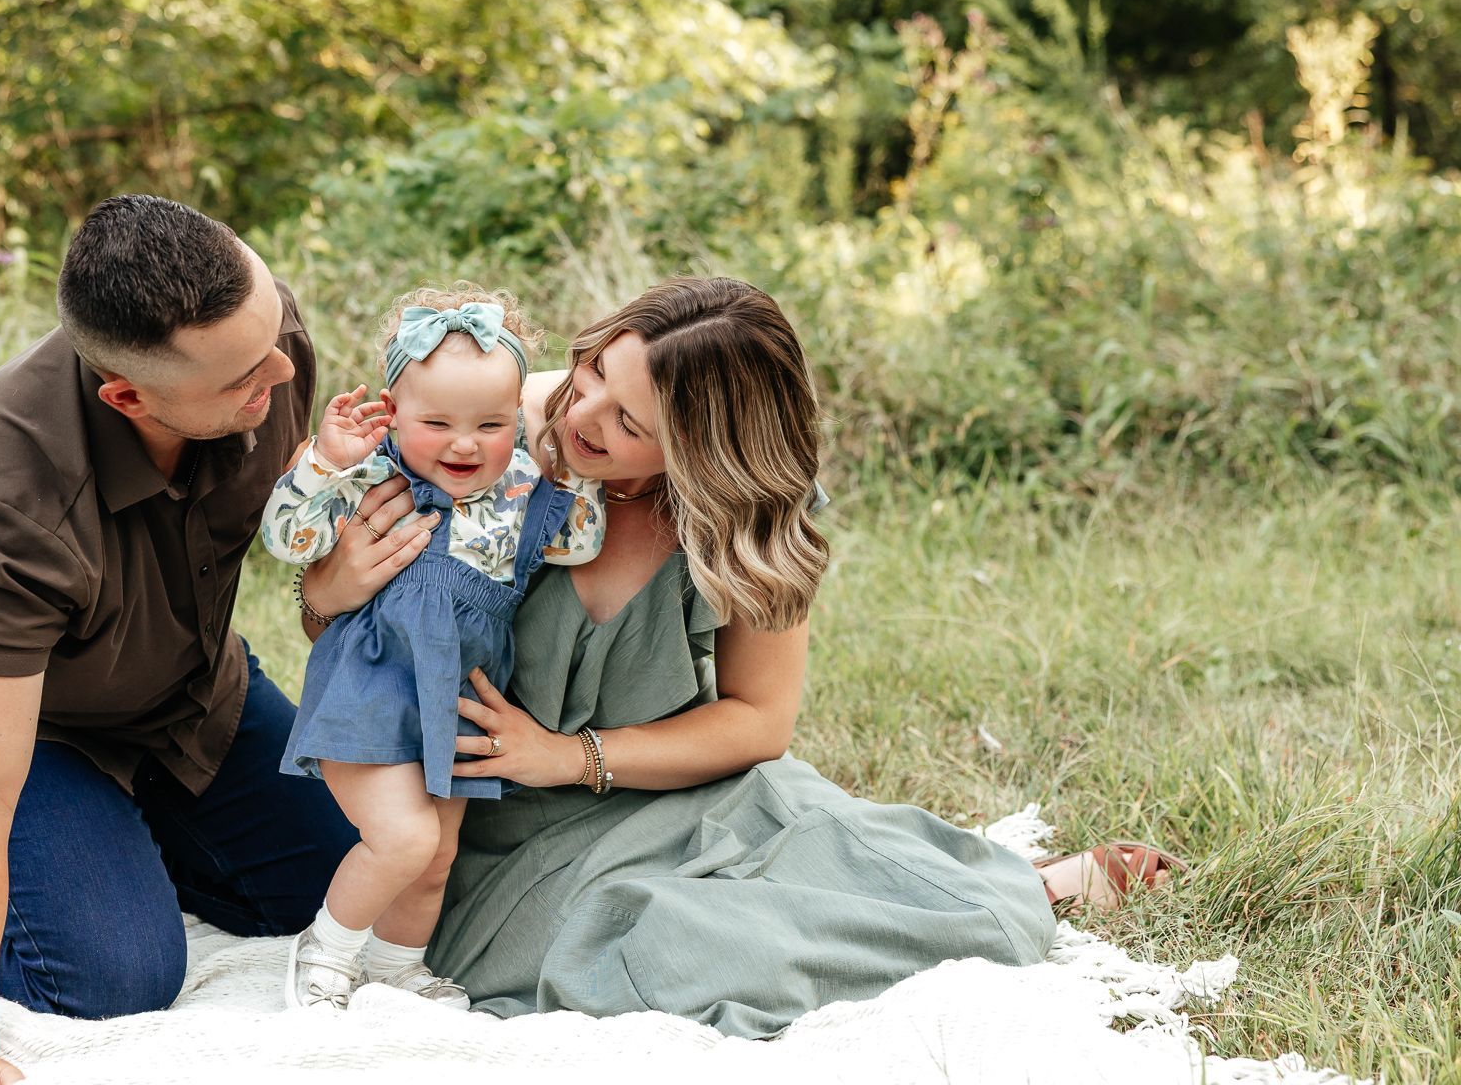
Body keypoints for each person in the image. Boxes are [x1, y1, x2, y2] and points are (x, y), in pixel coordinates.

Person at [297, 276, 1180, 1036]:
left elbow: (760, 721)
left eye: (630, 423)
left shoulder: (741, 516)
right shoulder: (476, 429)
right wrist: (329, 589)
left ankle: (1004, 889)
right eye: (598, 371)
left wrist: (573, 755)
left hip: (651, 784)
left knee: (842, 854)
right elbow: (354, 642)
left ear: (702, 455)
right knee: (674, 951)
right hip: (471, 819)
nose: (582, 417)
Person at [0, 196, 436, 1085]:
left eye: (274, 335)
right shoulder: (7, 483)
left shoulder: (261, 349)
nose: (282, 372)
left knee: (359, 872)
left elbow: (303, 547)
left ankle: (116, 833)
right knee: (108, 978)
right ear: (127, 396)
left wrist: (331, 594)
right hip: (22, 725)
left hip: (191, 691)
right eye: (245, 376)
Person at [259, 287, 604, 1009]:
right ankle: (324, 949)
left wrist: (570, 472)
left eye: (490, 422)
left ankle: (395, 964)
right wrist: (325, 461)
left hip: (459, 693)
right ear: (393, 411)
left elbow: (577, 544)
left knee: (436, 854)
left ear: (518, 417)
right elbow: (289, 540)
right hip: (373, 680)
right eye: (436, 421)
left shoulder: (522, 487)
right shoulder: (372, 473)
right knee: (405, 838)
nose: (464, 443)